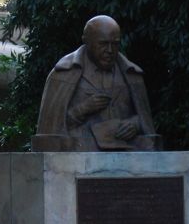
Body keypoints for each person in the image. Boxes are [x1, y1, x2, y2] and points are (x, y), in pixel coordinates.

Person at [31, 15, 161, 152]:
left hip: (126, 157)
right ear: (87, 41)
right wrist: (83, 109)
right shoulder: (63, 74)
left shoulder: (131, 74)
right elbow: (50, 130)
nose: (110, 50)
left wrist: (136, 124)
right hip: (79, 157)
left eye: (115, 44)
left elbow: (145, 121)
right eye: (103, 44)